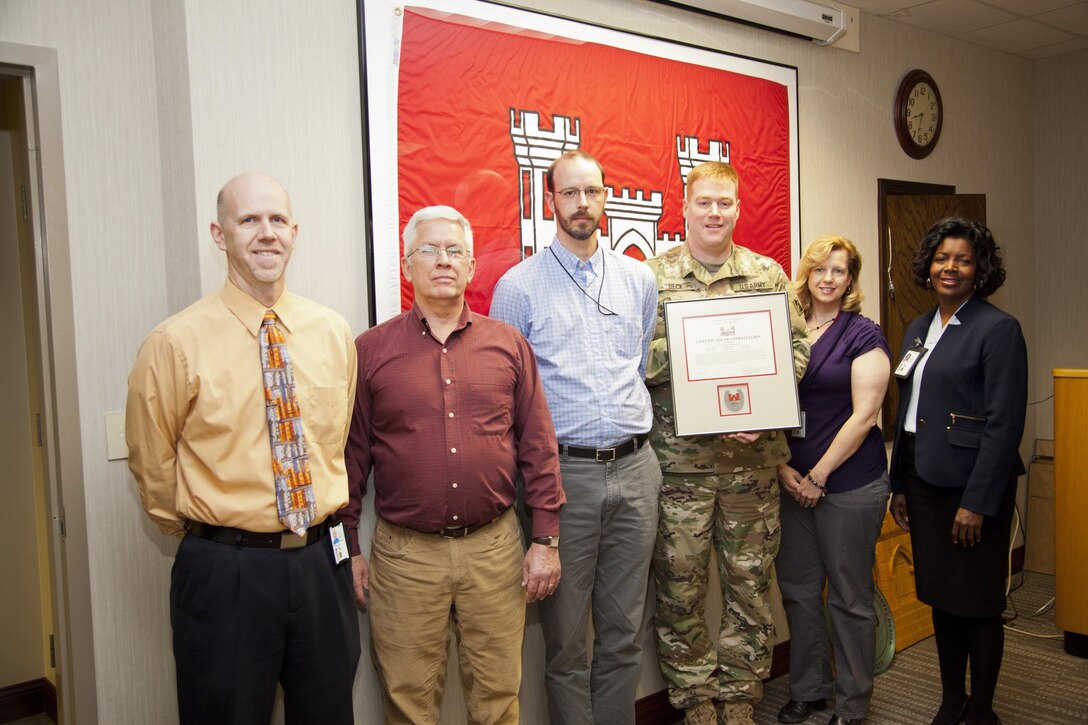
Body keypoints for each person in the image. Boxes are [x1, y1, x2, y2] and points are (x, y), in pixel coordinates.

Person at [126, 172, 360, 724]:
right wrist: (210, 537)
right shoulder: (175, 342)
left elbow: (338, 435)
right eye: (248, 220)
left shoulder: (331, 331)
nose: (266, 234)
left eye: (277, 220)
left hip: (322, 564)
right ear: (219, 233)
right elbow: (151, 461)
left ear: (295, 232)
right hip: (226, 571)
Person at [342, 205, 565, 725]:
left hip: (495, 551)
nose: (443, 260)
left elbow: (538, 446)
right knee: (407, 701)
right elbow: (350, 461)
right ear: (406, 265)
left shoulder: (508, 345)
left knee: (498, 698)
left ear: (470, 268)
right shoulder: (370, 351)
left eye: (455, 251)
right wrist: (348, 548)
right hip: (405, 559)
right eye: (429, 249)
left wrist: (546, 540)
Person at [491, 149, 661, 725]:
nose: (582, 203)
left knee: (622, 631)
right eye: (569, 193)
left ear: (605, 196)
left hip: (638, 472)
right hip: (565, 480)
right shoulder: (518, 287)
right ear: (550, 201)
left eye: (592, 191)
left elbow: (637, 367)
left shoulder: (638, 278)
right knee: (566, 644)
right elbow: (507, 397)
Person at [646, 160, 809, 725]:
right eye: (704, 202)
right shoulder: (650, 277)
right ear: (684, 206)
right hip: (680, 468)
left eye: (725, 203)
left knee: (749, 584)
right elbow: (632, 359)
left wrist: (765, 410)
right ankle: (693, 699)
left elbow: (797, 351)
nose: (715, 212)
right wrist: (693, 355)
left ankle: (741, 695)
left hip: (752, 465)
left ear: (739, 209)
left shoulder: (767, 275)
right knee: (679, 589)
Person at [889, 218, 1026, 725]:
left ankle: (983, 709)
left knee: (979, 603)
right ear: (928, 266)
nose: (950, 268)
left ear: (979, 270)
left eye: (963, 260)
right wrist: (899, 483)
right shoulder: (918, 327)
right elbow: (908, 409)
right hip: (923, 483)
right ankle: (952, 700)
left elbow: (1006, 422)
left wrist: (977, 502)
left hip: (973, 487)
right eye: (942, 258)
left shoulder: (998, 329)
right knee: (942, 600)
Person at [774, 236, 891, 725]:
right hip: (791, 480)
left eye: (839, 271)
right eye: (820, 269)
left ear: (851, 279)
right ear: (807, 273)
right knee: (799, 591)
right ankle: (810, 688)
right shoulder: (785, 328)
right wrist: (782, 467)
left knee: (849, 596)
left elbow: (865, 415)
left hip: (848, 484)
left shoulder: (863, 335)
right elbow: (767, 399)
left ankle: (853, 703)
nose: (828, 279)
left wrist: (819, 475)